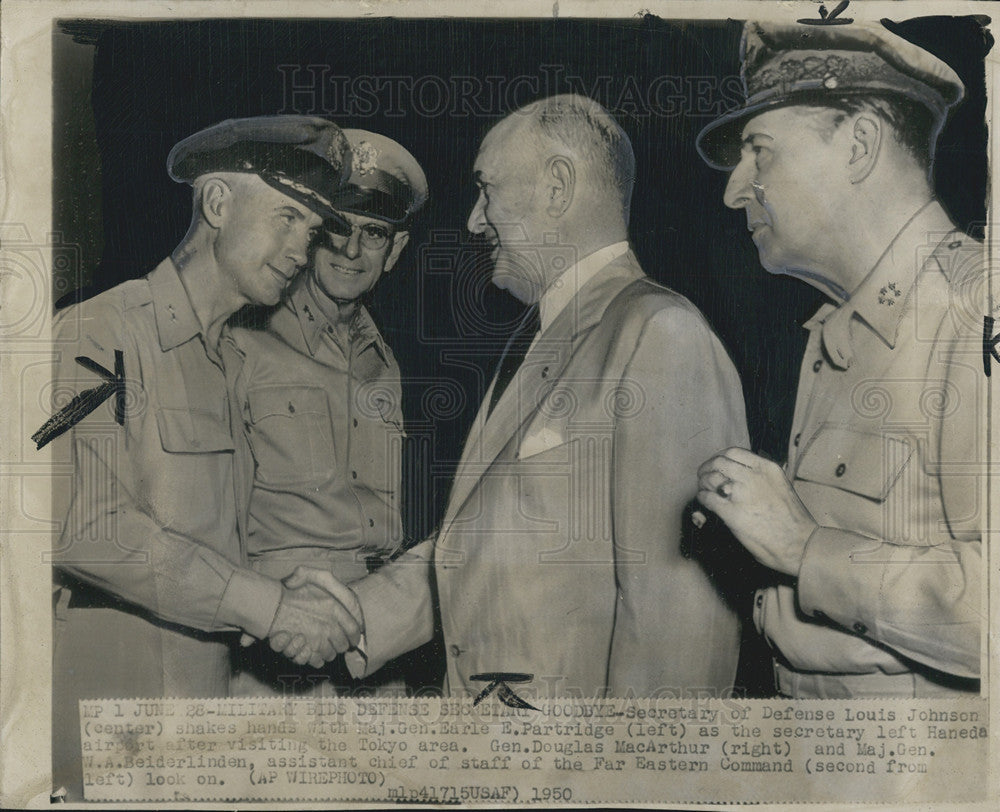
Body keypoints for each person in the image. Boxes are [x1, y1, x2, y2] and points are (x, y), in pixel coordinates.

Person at [288, 94, 749, 698]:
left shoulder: (661, 334)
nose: (476, 221)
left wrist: (638, 782)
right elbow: (485, 543)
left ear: (557, 188)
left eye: (488, 190)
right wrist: (348, 614)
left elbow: (683, 631)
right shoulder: (546, 336)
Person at [47, 116, 364, 798]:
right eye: (285, 217)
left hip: (204, 732)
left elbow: (218, 543)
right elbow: (85, 529)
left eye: (310, 232)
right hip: (110, 735)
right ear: (217, 204)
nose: (298, 249)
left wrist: (302, 593)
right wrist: (271, 608)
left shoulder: (231, 362)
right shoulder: (96, 334)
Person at [695, 21, 983, 698]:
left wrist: (801, 548)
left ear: (859, 144)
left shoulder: (977, 315)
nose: (734, 190)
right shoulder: (836, 330)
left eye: (759, 152)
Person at [229, 130, 427, 696]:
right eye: (336, 227)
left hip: (379, 645)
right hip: (277, 648)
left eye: (374, 233)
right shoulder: (243, 340)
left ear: (396, 250)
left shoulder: (385, 361)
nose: (350, 251)